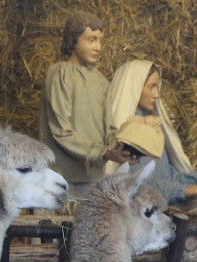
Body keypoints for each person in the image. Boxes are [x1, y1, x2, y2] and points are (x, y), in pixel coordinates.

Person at [39, 12, 131, 198]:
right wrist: (103, 152)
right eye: (91, 40)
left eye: (99, 40)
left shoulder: (100, 81)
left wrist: (121, 148)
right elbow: (60, 131)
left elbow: (109, 128)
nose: (97, 47)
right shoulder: (60, 75)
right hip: (59, 175)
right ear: (74, 40)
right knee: (55, 225)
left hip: (92, 177)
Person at [105, 60, 197, 206]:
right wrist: (185, 190)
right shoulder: (131, 133)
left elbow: (168, 177)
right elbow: (141, 186)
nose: (156, 94)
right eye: (151, 87)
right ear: (135, 88)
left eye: (157, 87)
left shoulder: (151, 125)